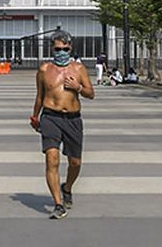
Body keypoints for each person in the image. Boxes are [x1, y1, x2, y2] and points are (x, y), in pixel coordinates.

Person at [31, 29, 94, 220]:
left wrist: (79, 88)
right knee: (52, 158)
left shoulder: (78, 69)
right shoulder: (44, 70)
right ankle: (59, 204)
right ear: (52, 48)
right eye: (57, 48)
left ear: (70, 48)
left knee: (75, 162)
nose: (61, 52)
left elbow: (91, 94)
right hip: (51, 118)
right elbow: (40, 96)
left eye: (65, 48)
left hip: (73, 119)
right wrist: (35, 116)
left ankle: (67, 188)